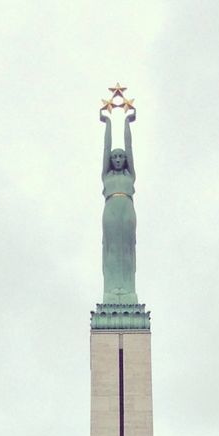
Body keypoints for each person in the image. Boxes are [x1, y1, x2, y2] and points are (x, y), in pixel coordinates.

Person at [98, 104, 138, 303]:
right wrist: (108, 123)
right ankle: (112, 290)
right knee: (112, 249)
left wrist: (126, 123)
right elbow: (105, 148)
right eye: (115, 157)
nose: (119, 159)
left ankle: (128, 290)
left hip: (127, 209)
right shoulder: (107, 175)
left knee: (128, 249)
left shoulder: (130, 175)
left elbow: (129, 148)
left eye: (121, 156)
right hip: (111, 209)